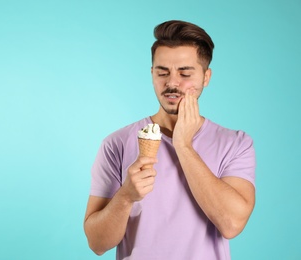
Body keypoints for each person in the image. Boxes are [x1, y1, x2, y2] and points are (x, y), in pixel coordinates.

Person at [83, 20, 256, 260]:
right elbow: (97, 243)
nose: (172, 83)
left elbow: (232, 224)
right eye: (162, 72)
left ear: (206, 77)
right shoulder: (117, 143)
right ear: (152, 73)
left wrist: (183, 145)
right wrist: (125, 197)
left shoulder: (235, 144)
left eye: (185, 73)